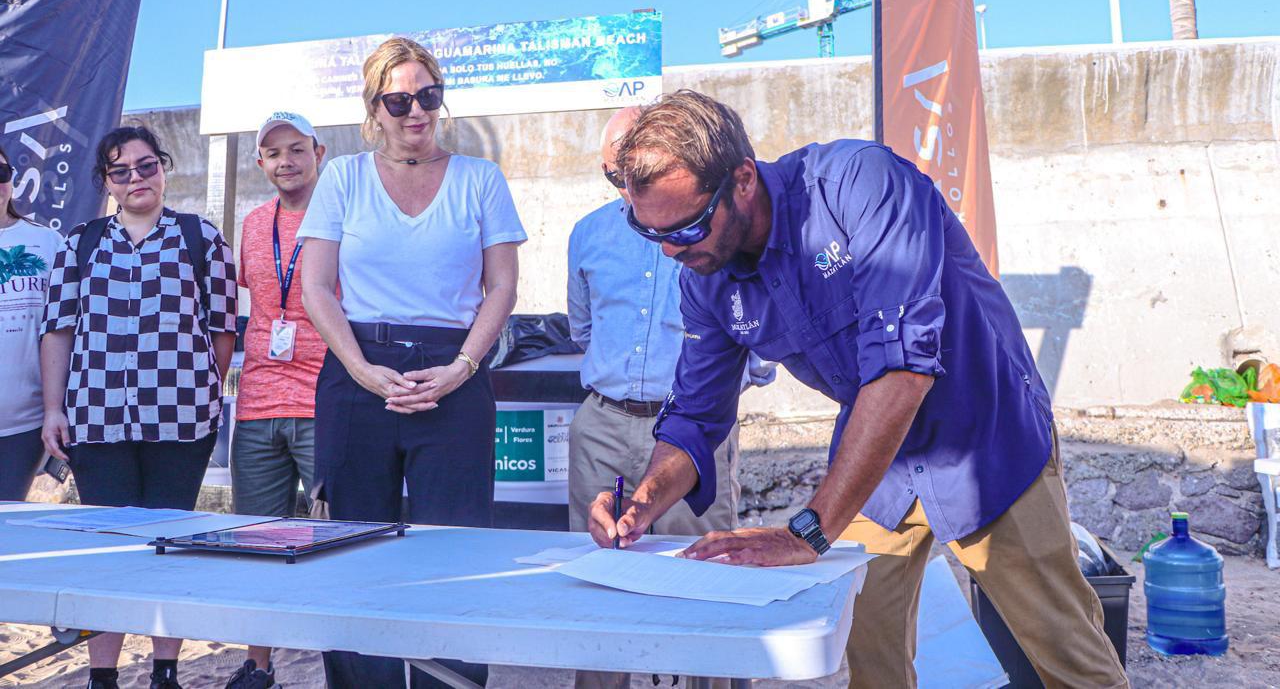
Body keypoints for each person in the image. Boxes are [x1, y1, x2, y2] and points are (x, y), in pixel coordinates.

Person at [588, 90, 1128, 689]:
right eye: (650, 232)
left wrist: (809, 530)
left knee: (1066, 654)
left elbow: (902, 369)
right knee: (870, 660)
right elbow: (695, 413)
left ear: (742, 180)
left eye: (687, 227)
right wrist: (643, 502)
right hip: (878, 467)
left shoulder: (861, 186)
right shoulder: (706, 277)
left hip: (986, 438)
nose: (671, 249)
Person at [298, 36, 526, 689]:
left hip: (453, 372)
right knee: (352, 551)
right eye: (398, 100)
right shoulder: (343, 177)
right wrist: (362, 370)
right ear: (374, 107)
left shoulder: (480, 179)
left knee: (455, 554)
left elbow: (502, 286)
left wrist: (463, 366)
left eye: (428, 95)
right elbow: (316, 287)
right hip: (358, 372)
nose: (416, 110)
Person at [567, 107, 774, 689]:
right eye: (617, 178)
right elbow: (583, 329)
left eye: (640, 174)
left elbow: (754, 343)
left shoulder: (717, 228)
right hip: (604, 424)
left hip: (694, 430)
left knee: (705, 580)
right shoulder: (588, 233)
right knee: (599, 584)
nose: (630, 191)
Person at [40, 126, 238, 689]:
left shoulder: (201, 237)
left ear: (163, 168)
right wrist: (54, 408)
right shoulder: (81, 242)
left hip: (180, 422)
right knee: (106, 553)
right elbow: (58, 330)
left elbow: (222, 328)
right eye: (121, 171)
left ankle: (164, 671)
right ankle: (102, 675)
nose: (136, 179)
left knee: (168, 548)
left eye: (146, 165)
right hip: (96, 420)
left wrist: (202, 388)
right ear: (106, 182)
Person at [222, 112, 328, 689]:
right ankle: (258, 666)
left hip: (324, 400)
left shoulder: (343, 215)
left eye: (296, 149)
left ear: (318, 152)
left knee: (335, 540)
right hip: (258, 402)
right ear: (261, 162)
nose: (285, 161)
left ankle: (343, 662)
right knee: (258, 543)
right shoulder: (253, 223)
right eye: (273, 152)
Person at [0, 143, 62, 501]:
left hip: (25, 425)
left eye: (0, 173)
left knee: (6, 522)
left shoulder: (48, 242)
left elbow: (67, 330)